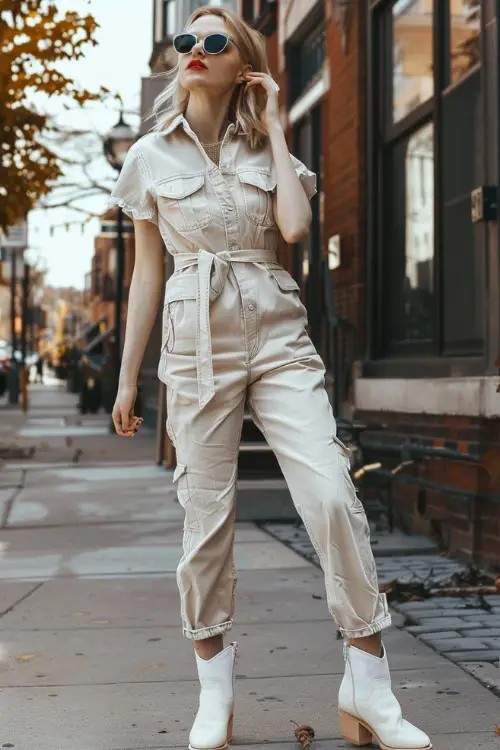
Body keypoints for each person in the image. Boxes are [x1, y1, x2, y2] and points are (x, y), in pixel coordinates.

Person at [109, 7, 432, 750]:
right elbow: (145, 276)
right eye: (184, 41)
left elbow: (292, 229)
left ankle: (368, 684)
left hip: (278, 338)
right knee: (205, 524)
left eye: (213, 42)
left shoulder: (268, 147)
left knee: (331, 496)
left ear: (243, 62)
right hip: (194, 348)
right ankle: (214, 693)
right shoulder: (149, 158)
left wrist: (277, 125)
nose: (193, 51)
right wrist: (128, 380)